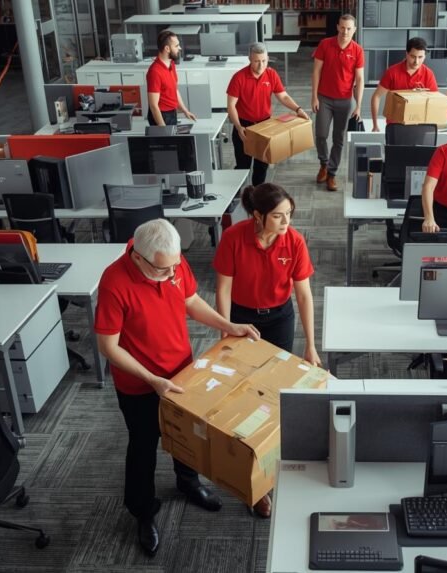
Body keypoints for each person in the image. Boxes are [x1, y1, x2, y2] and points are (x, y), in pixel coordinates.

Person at [95, 219, 261, 557]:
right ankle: (142, 510)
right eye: (162, 270)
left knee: (188, 433)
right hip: (140, 384)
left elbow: (191, 300)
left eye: (174, 267)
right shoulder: (114, 281)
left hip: (182, 370)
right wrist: (152, 379)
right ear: (138, 258)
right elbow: (108, 347)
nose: (171, 275)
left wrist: (229, 325)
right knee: (143, 446)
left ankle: (188, 483)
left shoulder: (169, 259)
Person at [213, 183, 318, 518]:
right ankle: (252, 482)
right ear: (257, 216)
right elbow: (223, 290)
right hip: (243, 320)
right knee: (245, 398)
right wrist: (224, 333)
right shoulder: (234, 238)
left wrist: (311, 346)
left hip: (278, 318)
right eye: (278, 216)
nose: (286, 221)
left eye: (289, 214)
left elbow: (303, 296)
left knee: (273, 397)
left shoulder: (294, 241)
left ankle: (271, 471)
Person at [227, 42, 309, 186]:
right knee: (242, 166)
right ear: (249, 59)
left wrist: (298, 109)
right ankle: (237, 196)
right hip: (244, 127)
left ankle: (258, 195)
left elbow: (283, 96)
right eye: (257, 61)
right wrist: (238, 127)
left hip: (264, 126)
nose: (261, 65)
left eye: (264, 61)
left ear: (268, 58)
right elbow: (231, 105)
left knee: (261, 166)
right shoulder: (238, 77)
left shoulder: (271, 74)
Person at [311, 14, 364, 192]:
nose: (345, 31)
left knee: (339, 138)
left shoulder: (357, 50)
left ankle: (332, 174)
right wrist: (314, 96)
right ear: (337, 27)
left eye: (349, 28)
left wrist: (358, 105)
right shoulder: (325, 44)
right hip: (324, 98)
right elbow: (316, 71)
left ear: (354, 30)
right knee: (320, 134)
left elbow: (360, 79)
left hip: (345, 100)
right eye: (342, 27)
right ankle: (323, 164)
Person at [369, 37, 438, 133]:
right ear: (406, 54)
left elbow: (435, 102)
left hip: (420, 126)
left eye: (420, 57)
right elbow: (376, 96)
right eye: (413, 56)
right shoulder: (392, 72)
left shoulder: (428, 74)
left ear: (425, 56)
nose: (416, 61)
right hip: (395, 126)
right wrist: (375, 125)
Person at [146, 31, 196, 126]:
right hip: (161, 115)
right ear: (167, 48)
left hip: (172, 112)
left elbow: (174, 90)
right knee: (167, 140)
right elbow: (153, 106)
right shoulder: (155, 72)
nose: (180, 48)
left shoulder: (171, 64)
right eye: (176, 46)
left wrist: (185, 111)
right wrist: (163, 129)